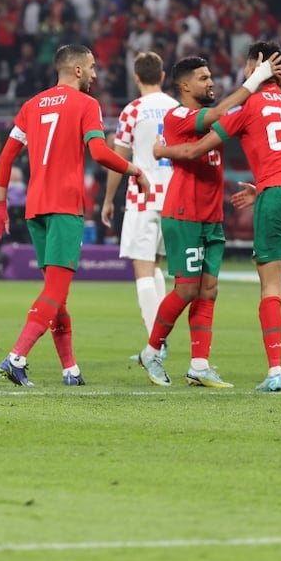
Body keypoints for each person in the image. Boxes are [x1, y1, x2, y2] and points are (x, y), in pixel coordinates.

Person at [155, 41, 281, 392]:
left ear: (251, 70)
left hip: (275, 197)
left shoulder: (249, 106)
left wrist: (162, 151)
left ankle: (275, 370)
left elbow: (198, 148)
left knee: (271, 287)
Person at [0, 44, 151, 387]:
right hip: (64, 206)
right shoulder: (86, 105)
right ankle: (16, 357)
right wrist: (134, 169)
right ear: (77, 70)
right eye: (92, 67)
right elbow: (98, 152)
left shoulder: (31, 105)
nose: (95, 74)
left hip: (35, 208)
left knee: (55, 293)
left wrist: (0, 206)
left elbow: (5, 158)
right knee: (55, 292)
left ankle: (70, 369)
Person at [125, 54, 279, 389]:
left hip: (211, 215)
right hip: (184, 212)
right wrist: (256, 78)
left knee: (209, 290)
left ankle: (199, 365)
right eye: (203, 78)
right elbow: (223, 112)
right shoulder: (177, 115)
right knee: (187, 288)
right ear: (183, 85)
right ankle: (152, 351)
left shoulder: (208, 117)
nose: (210, 82)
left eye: (211, 77)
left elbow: (236, 117)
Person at [100, 52, 175, 354]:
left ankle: (155, 346)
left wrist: (107, 199)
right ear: (162, 76)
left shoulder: (133, 110)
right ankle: (160, 340)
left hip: (143, 198)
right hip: (174, 197)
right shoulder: (177, 107)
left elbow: (119, 159)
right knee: (156, 264)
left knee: (143, 269)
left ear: (136, 78)